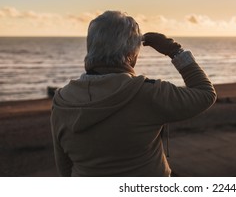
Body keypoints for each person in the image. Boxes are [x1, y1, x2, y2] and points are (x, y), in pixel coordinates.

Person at [50, 10, 217, 177]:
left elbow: (64, 167)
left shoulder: (62, 100)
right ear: (131, 54)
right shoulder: (147, 93)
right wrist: (175, 51)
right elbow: (205, 93)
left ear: (91, 46)